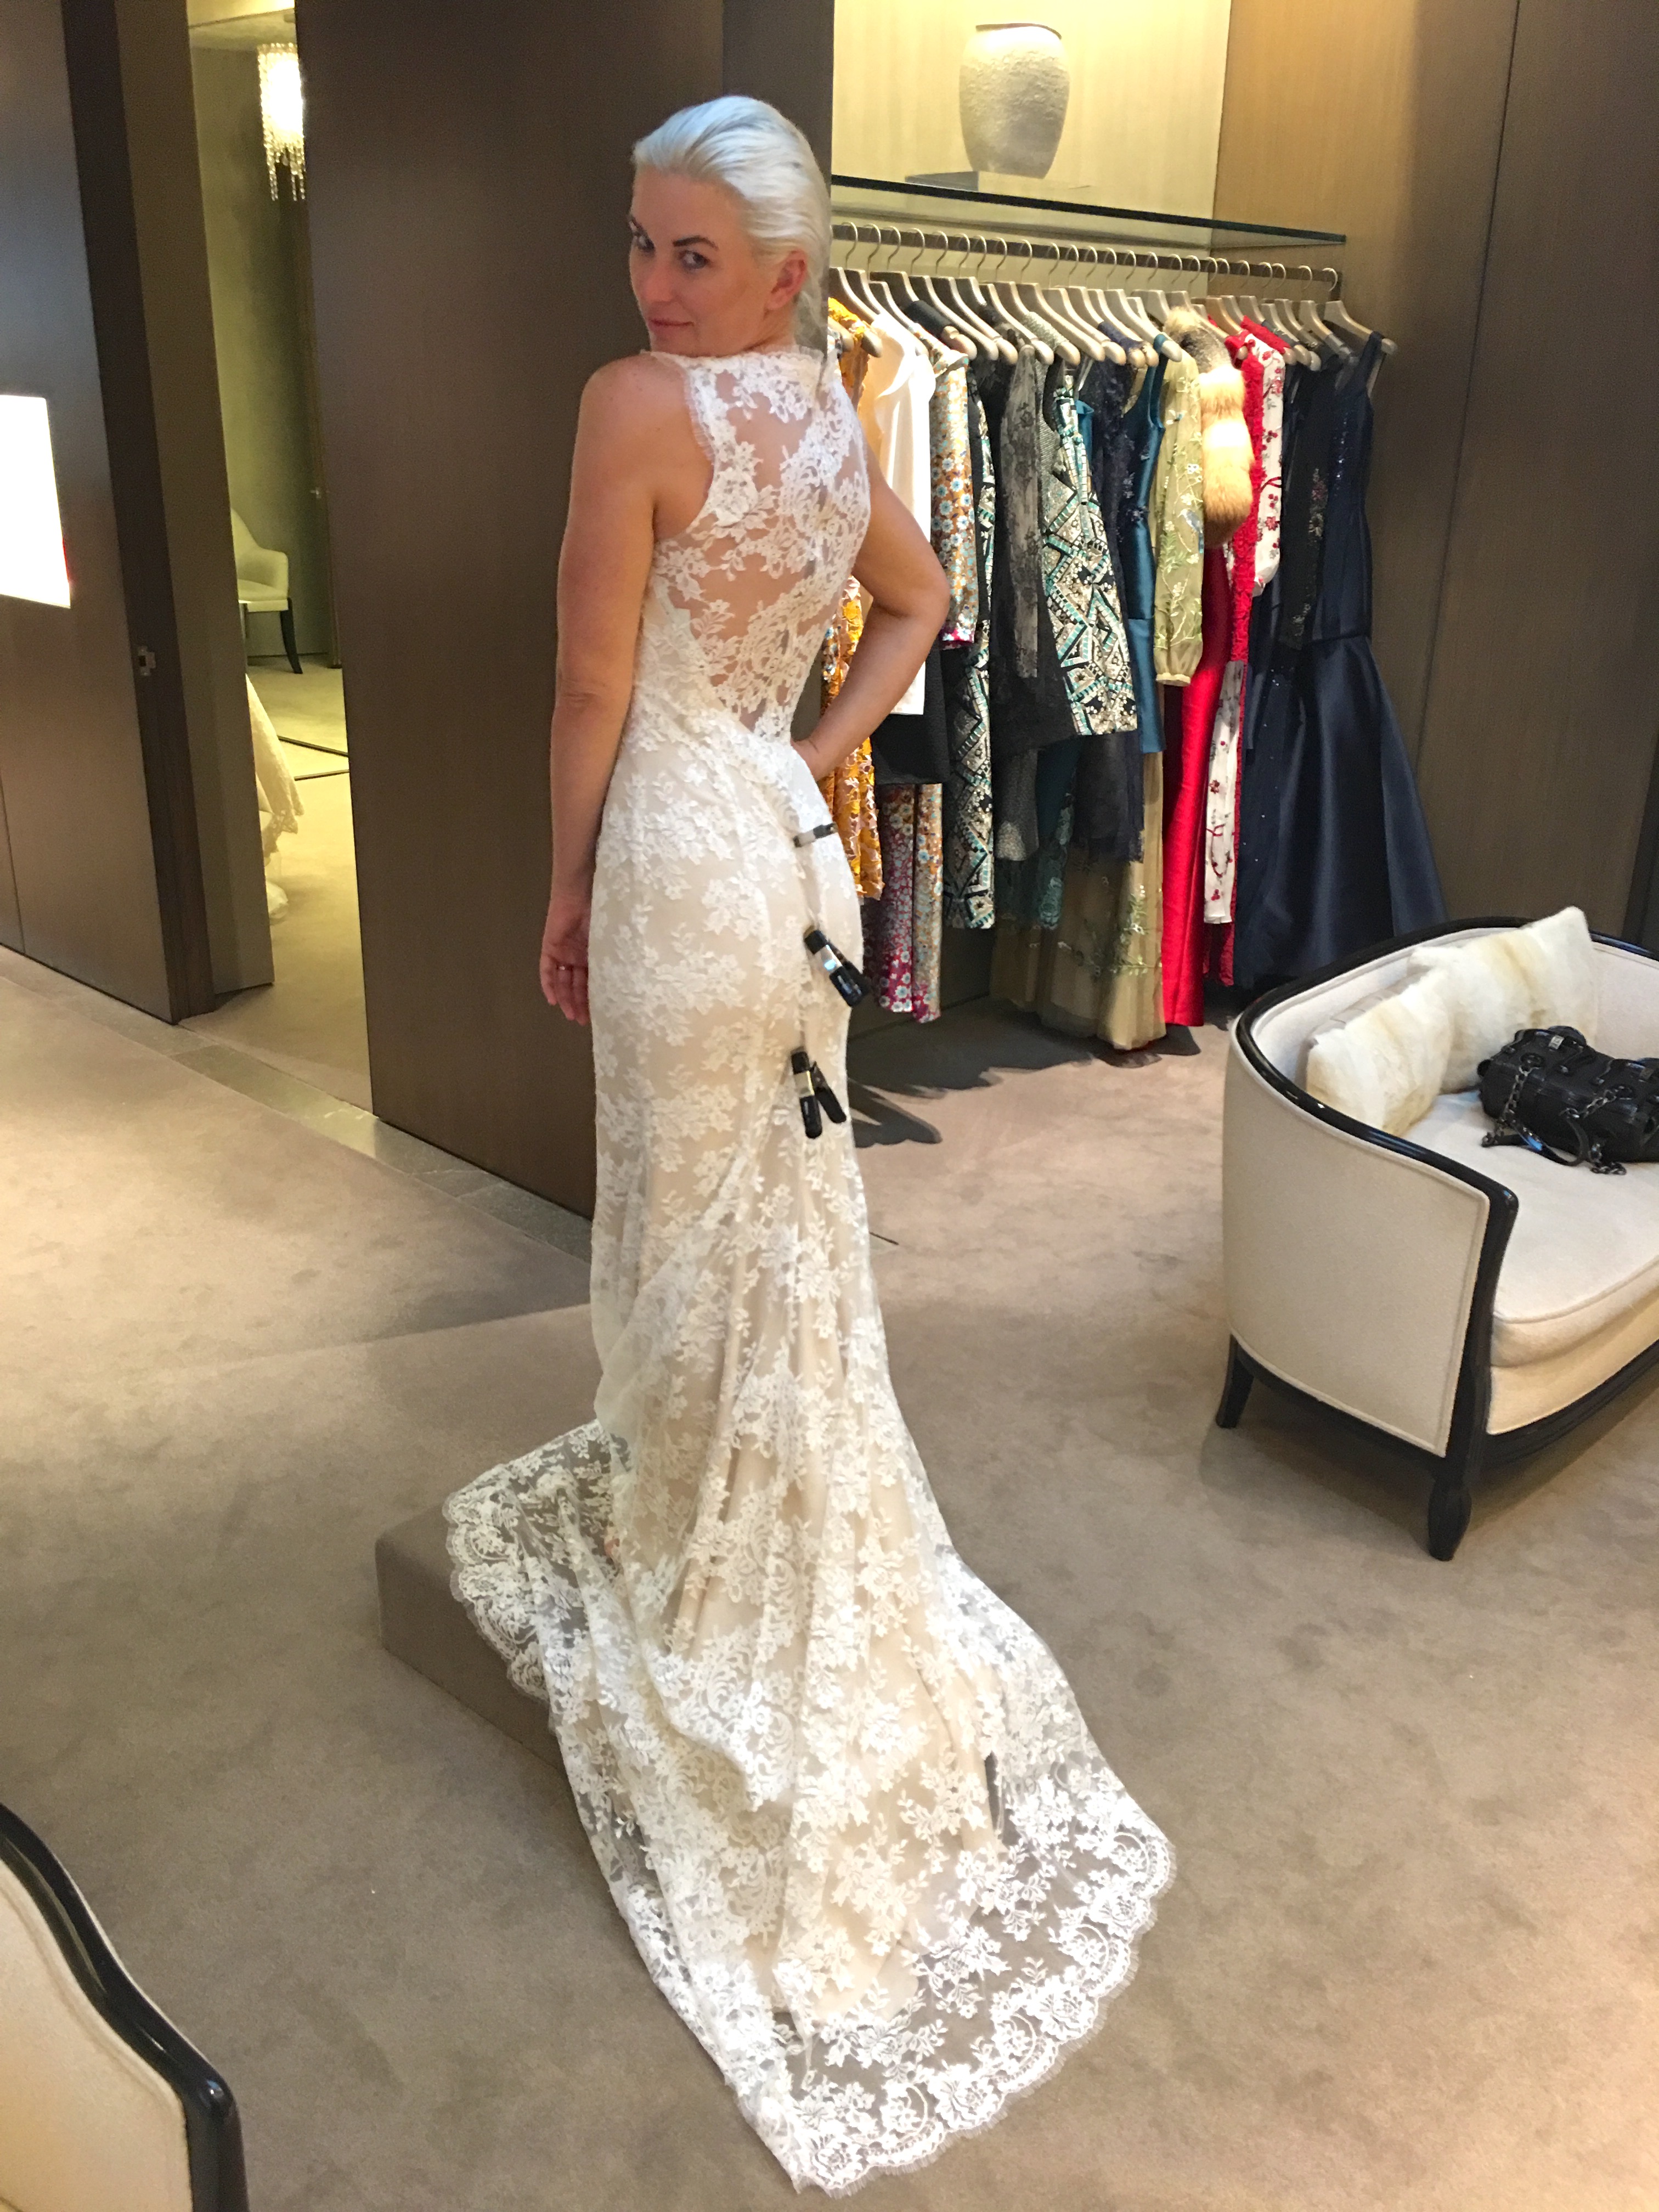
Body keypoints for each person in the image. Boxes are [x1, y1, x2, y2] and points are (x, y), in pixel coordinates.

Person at [444, 95, 1171, 2194]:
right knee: (763, 1207)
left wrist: (566, 887)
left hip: (683, 859)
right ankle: (727, 1512)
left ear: (778, 267)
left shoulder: (634, 410)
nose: (652, 284)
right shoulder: (842, 411)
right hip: (779, 847)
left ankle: (699, 1554)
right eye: (639, 244)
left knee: (696, 1208)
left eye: (692, 254)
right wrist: (810, 758)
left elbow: (586, 697)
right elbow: (922, 605)